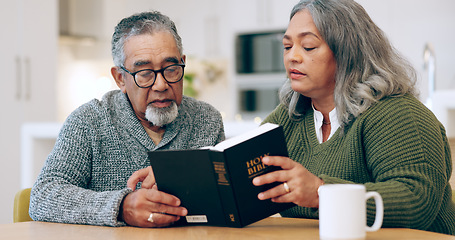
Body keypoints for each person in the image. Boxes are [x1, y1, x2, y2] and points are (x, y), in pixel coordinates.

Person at [252, 0, 455, 235]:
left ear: (348, 52)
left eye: (308, 47)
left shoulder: (397, 113)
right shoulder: (287, 117)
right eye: (287, 47)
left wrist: (321, 191)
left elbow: (415, 201)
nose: (292, 57)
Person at [29, 11, 225, 228]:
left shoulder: (207, 120)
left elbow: (225, 196)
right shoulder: (89, 121)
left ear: (183, 63)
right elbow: (42, 196)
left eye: (171, 69)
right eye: (145, 73)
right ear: (120, 78)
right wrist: (121, 206)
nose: (161, 85)